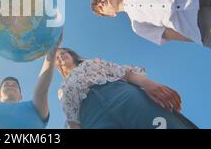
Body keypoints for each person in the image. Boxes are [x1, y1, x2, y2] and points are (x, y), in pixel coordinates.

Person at [55, 48, 198, 129]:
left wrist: (147, 83)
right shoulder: (62, 89)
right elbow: (72, 117)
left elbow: (122, 72)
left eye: (63, 53)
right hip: (92, 119)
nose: (60, 56)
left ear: (71, 54)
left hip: (123, 96)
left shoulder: (91, 62)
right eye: (57, 57)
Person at [0, 24, 62, 129]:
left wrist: (52, 54)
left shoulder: (34, 107)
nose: (10, 85)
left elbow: (41, 91)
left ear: (21, 96)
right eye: (6, 84)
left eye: (14, 85)